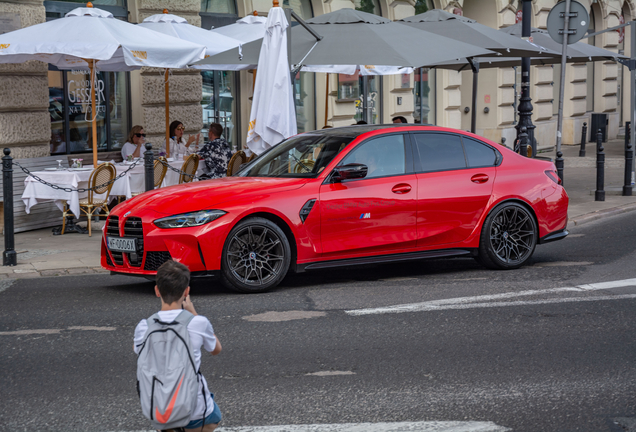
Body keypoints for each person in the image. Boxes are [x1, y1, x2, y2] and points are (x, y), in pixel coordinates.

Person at [134, 260, 223, 432]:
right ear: (186, 291)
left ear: (157, 291)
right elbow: (216, 349)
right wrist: (193, 313)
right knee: (214, 417)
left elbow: (137, 349)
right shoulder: (198, 323)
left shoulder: (144, 326)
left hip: (159, 409)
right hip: (195, 412)